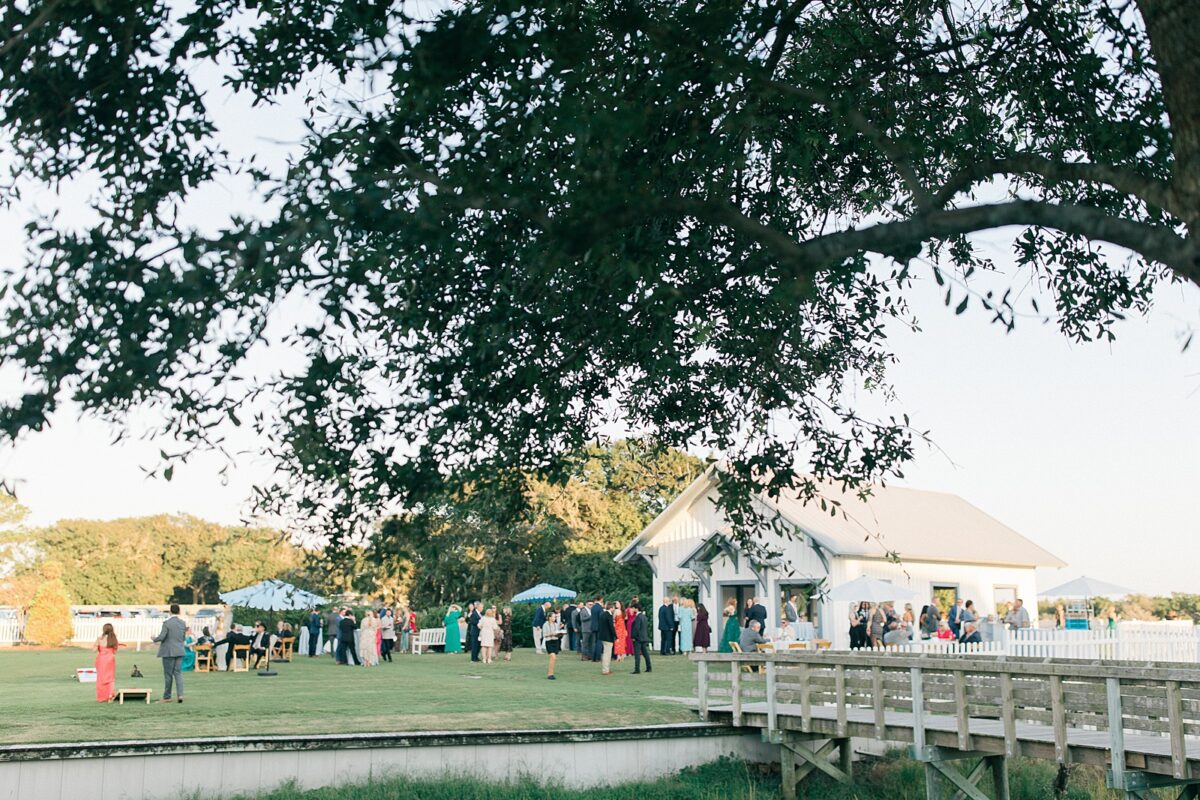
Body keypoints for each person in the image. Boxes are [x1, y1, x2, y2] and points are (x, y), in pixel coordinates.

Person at [152, 603, 187, 704]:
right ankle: (180, 695)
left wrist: (155, 639)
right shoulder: (182, 623)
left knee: (168, 675)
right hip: (179, 650)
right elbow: (183, 637)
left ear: (170, 611)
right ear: (179, 611)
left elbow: (162, 637)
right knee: (178, 673)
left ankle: (167, 696)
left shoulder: (167, 623)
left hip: (168, 651)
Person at [94, 622, 122, 702]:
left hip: (101, 659)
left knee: (101, 678)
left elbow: (94, 650)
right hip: (110, 659)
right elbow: (115, 651)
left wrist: (99, 648)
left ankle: (102, 697)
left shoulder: (100, 639)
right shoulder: (113, 639)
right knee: (110, 678)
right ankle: (110, 695)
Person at [629, 600, 652, 674]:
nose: (632, 610)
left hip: (638, 638)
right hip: (644, 637)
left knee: (637, 654)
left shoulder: (638, 617)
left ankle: (637, 669)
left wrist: (633, 636)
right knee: (645, 653)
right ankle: (649, 667)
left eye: (633, 608)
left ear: (636, 609)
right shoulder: (644, 617)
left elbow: (636, 628)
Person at [542, 610, 564, 680]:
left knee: (553, 659)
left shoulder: (556, 624)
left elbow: (557, 633)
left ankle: (551, 673)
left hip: (555, 641)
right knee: (553, 657)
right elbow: (544, 635)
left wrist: (560, 632)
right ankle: (550, 674)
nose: (555, 618)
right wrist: (552, 634)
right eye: (554, 617)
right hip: (549, 642)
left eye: (555, 617)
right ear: (549, 617)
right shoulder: (545, 625)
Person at [598, 601, 617, 675]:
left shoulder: (602, 614)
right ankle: (606, 670)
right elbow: (611, 627)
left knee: (605, 653)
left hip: (603, 636)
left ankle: (605, 669)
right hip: (608, 637)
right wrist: (615, 635)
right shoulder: (609, 615)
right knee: (607, 654)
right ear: (611, 608)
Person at [590, 596, 604, 662]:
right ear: (600, 599)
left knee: (594, 642)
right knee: (599, 642)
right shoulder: (600, 608)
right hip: (599, 627)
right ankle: (598, 657)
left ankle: (593, 657)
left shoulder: (593, 607)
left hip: (593, 626)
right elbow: (601, 618)